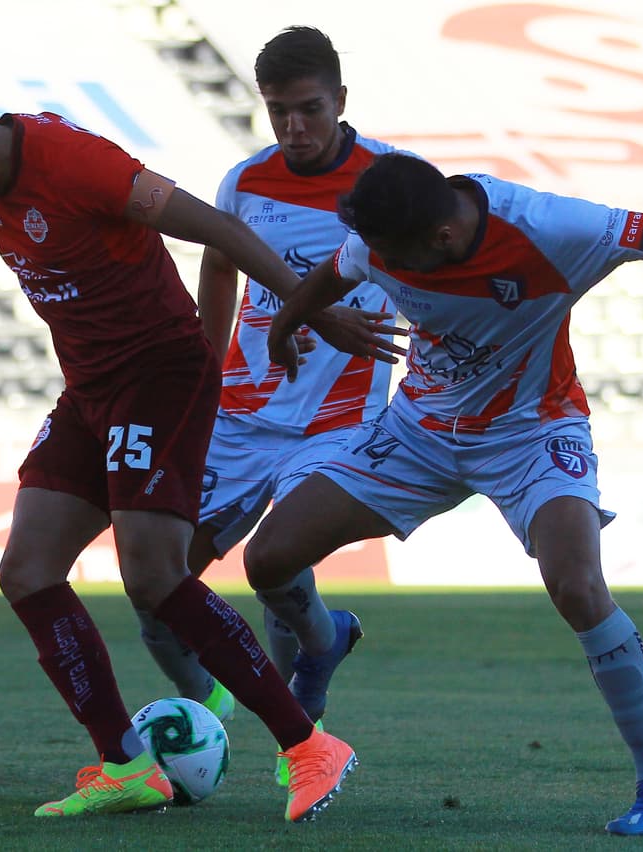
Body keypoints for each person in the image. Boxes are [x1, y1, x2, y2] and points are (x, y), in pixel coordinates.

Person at [0, 92, 399, 822]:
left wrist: (308, 307)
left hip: (160, 375)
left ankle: (307, 746)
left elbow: (214, 226)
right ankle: (125, 765)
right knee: (27, 571)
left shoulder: (76, 160)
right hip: (90, 389)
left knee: (154, 574)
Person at [249, 152, 643, 835]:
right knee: (269, 557)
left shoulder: (550, 230)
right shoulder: (385, 233)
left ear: (443, 239)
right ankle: (323, 640)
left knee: (577, 587)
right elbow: (330, 276)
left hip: (532, 432)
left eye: (392, 253)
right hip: (419, 429)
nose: (379, 262)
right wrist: (284, 328)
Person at [130, 26, 403, 783]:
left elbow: (440, 274)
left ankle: (307, 690)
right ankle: (208, 714)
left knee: (274, 562)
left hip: (338, 420)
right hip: (242, 416)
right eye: (278, 111)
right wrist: (206, 371)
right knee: (154, 589)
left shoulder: (390, 181)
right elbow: (218, 267)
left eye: (309, 109)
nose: (294, 127)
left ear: (340, 100)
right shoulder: (245, 182)